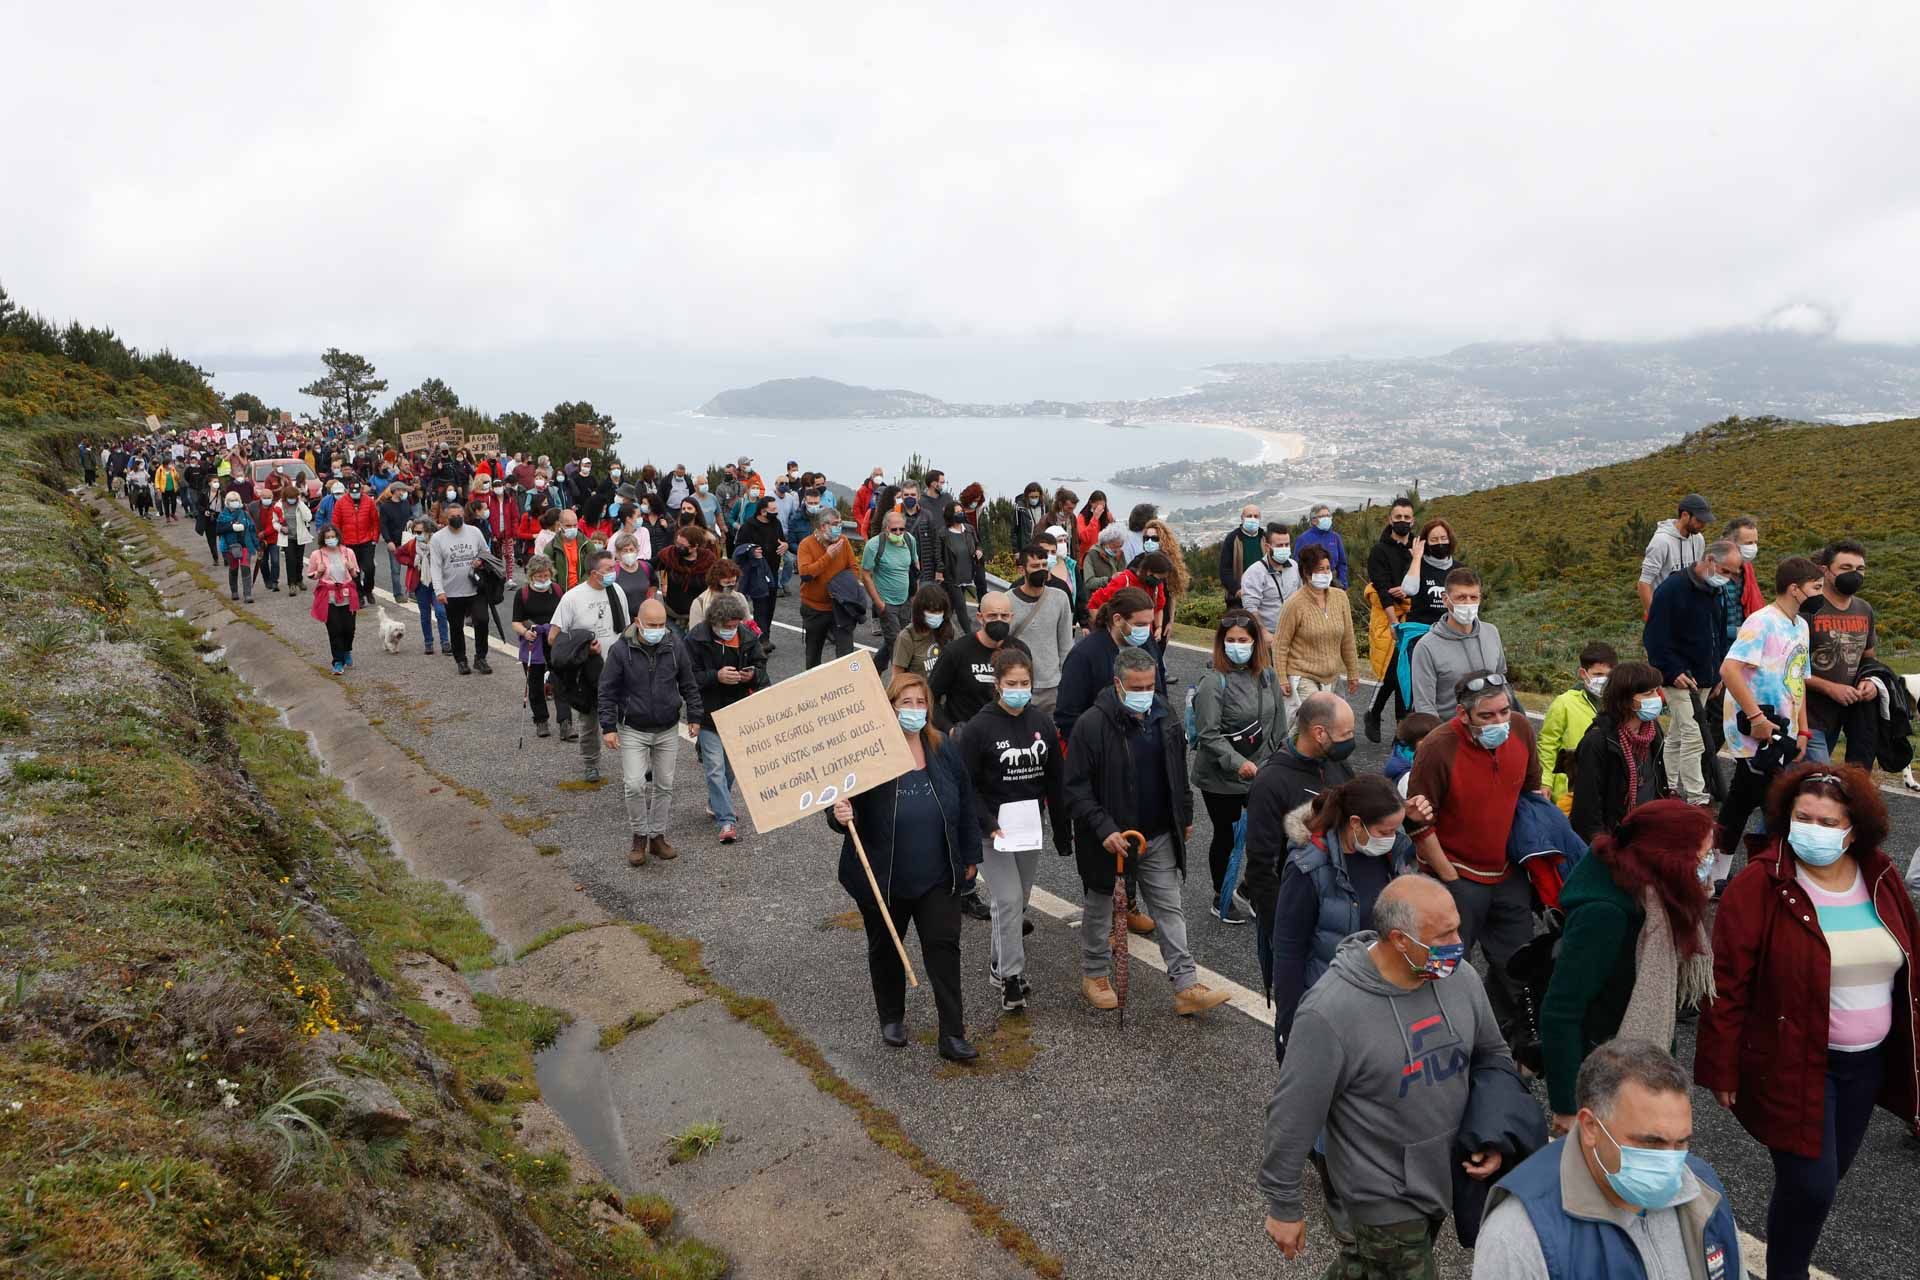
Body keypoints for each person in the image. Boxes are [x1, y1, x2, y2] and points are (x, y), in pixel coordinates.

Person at [1694, 764, 1920, 1280]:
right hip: (1794, 1062)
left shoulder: (1880, 879)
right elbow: (1726, 982)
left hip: (1866, 1067)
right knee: (1812, 1185)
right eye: (1803, 817)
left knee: (1819, 1184)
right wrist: (1721, 1066)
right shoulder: (1762, 884)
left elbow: (1909, 964)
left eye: (1827, 820)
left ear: (1854, 827)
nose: (1812, 830)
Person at [1260, 877, 1511, 1272]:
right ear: (1400, 940)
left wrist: (1494, 1132)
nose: (1457, 944)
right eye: (1443, 935)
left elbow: (1493, 1055)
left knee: (1365, 1268)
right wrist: (1284, 1204)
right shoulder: (1330, 1013)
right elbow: (1292, 1114)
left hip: (1442, 1176)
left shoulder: (1460, 979)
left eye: (1457, 927)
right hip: (1381, 1195)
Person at [1477, 1039, 1743, 1280]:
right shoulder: (1519, 1236)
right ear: (1591, 1127)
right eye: (1651, 1143)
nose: (1672, 1163)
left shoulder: (1704, 1192)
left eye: (1682, 1142)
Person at [1064, 646, 1231, 1016]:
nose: (1144, 693)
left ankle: (1186, 985)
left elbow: (1177, 773)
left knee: (1170, 908)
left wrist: (1183, 815)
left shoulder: (1165, 714)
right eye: (1136, 686)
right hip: (1109, 841)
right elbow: (1075, 788)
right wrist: (1104, 828)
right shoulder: (1091, 725)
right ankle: (1095, 974)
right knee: (1100, 905)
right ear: (1118, 684)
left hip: (1157, 835)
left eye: (1149, 685)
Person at [827, 672, 979, 1063]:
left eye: (920, 702)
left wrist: (969, 856)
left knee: (944, 952)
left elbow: (964, 802)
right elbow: (840, 807)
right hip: (884, 876)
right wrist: (838, 811)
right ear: (888, 707)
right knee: (884, 949)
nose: (914, 710)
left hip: (937, 875)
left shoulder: (942, 747)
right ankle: (891, 1017)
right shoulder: (868, 752)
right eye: (905, 703)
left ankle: (953, 1033)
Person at [1540, 801, 1715, 1131]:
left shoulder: (1656, 898)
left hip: (1632, 1065)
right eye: (1701, 856)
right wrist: (1565, 1106)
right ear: (1667, 856)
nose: (1708, 865)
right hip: (1600, 1079)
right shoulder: (1605, 914)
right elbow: (1561, 1012)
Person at [1405, 672, 1541, 1046]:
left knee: (1518, 967)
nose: (1500, 723)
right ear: (1464, 715)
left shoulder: (1522, 731)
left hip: (1507, 873)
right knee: (1442, 967)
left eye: (1504, 712)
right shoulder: (1436, 747)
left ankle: (1509, 1049)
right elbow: (1415, 823)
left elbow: (1531, 793)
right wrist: (1449, 878)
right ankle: (1434, 1043)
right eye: (1487, 717)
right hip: (1456, 877)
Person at [951, 649, 1072, 1012]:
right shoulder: (979, 728)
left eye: (1025, 683)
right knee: (1006, 900)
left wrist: (1062, 830)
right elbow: (965, 784)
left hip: (1029, 827)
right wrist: (988, 823)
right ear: (997, 685)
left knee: (1018, 901)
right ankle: (1010, 977)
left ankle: (996, 961)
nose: (1019, 690)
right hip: (992, 830)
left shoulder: (1041, 722)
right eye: (1011, 684)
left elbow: (1055, 779)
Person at [1270, 774, 1420, 1060]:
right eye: (1385, 831)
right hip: (1329, 1006)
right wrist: (1289, 1024)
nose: (1392, 838)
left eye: (1396, 830)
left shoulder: (1391, 855)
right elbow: (1289, 951)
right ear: (1355, 824)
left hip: (1378, 1002)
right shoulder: (1309, 868)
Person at [1713, 556, 1823, 885]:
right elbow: (1729, 669)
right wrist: (1757, 718)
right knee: (1775, 805)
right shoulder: (1761, 622)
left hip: (1783, 729)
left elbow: (1798, 680)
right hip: (1756, 732)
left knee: (1741, 802)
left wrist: (1803, 728)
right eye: (1816, 588)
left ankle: (1716, 874)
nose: (1821, 594)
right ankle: (1772, 877)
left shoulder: (1801, 626)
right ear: (1794, 588)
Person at [1190, 610, 1287, 923]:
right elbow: (1208, 734)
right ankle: (1222, 893)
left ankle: (1254, 890)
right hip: (1221, 775)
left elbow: (1279, 726)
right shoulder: (1212, 682)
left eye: (1242, 640)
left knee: (1273, 834)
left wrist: (1274, 762)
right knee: (1227, 836)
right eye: (1230, 640)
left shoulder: (1268, 676)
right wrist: (1239, 763)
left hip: (1262, 770)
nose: (1236, 646)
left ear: (1255, 642)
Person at [599, 598, 704, 867]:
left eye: (661, 625)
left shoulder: (674, 645)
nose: (658, 629)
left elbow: (688, 683)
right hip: (633, 727)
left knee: (664, 785)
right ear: (638, 623)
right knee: (634, 784)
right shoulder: (621, 651)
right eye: (652, 625)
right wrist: (608, 727)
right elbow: (607, 690)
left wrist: (694, 716)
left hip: (667, 727)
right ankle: (639, 835)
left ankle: (657, 836)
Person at [1643, 540, 1743, 806]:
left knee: (1677, 733)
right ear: (1709, 560)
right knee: (1693, 734)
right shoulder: (1672, 589)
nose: (1730, 578)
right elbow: (1654, 636)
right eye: (1726, 570)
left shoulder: (1716, 591)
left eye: (1735, 573)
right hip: (1679, 678)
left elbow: (1720, 634)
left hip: (1705, 677)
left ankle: (1668, 786)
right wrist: (1672, 670)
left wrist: (1719, 673)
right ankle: (1697, 797)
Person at [686, 596, 765, 845]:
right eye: (728, 626)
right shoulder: (696, 639)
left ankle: (715, 802)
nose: (732, 630)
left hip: (738, 714)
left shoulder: (747, 637)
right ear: (715, 621)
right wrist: (715, 676)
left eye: (735, 625)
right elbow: (688, 677)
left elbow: (762, 668)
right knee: (715, 768)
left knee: (731, 769)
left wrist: (750, 675)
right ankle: (726, 821)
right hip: (709, 715)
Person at [1567, 661, 1671, 843]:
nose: (1657, 698)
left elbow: (1657, 780)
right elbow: (1587, 808)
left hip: (1645, 831)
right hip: (1614, 840)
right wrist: (1602, 846)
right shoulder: (1597, 742)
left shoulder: (1652, 730)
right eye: (1649, 693)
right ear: (1626, 699)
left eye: (1657, 690)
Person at [551, 549, 630, 779]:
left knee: (629, 716)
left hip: (618, 668)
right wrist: (584, 649)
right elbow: (554, 637)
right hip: (588, 671)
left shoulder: (617, 591)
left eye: (614, 568)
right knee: (589, 720)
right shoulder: (572, 598)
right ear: (594, 573)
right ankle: (590, 763)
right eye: (609, 569)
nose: (613, 572)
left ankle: (637, 763)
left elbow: (624, 628)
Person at [1800, 540, 1879, 767]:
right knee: (1819, 780)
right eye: (1846, 568)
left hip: (1843, 715)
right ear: (1825, 571)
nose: (1854, 574)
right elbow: (1787, 667)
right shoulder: (1806, 609)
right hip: (1807, 715)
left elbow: (1869, 658)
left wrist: (1869, 681)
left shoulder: (1864, 609)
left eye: (1860, 569)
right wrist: (1830, 688)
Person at [1053, 587, 1162, 747]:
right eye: (1139, 624)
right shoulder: (1084, 655)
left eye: (1148, 624)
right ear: (1117, 619)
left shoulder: (1147, 644)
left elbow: (1160, 694)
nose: (1145, 630)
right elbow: (1067, 715)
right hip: (1100, 750)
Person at [1272, 544, 1361, 717]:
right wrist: (1281, 678)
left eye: (1328, 569)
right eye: (1320, 569)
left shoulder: (1340, 598)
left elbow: (1348, 639)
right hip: (1303, 674)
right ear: (1306, 572)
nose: (1326, 573)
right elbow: (1280, 645)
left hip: (1333, 676)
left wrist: (1353, 671)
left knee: (1336, 723)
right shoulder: (1294, 604)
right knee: (1314, 722)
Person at [1410, 567, 1507, 718]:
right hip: (1451, 733)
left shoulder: (1492, 633)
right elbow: (1425, 706)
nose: (1468, 603)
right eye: (1461, 597)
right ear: (1445, 599)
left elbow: (1502, 681)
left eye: (1473, 597)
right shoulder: (1426, 647)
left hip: (1491, 729)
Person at [927, 592, 1032, 730]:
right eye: (992, 616)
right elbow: (930, 698)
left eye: (1004, 616)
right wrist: (950, 730)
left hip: (1008, 736)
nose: (999, 620)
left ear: (1011, 617)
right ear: (980, 617)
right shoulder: (956, 652)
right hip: (966, 738)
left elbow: (1027, 695)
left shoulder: (1020, 650)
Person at [1361, 498, 1418, 741]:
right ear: (1390, 520)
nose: (1403, 522)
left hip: (1413, 616)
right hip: (1388, 617)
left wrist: (1407, 592)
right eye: (1398, 517)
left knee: (1404, 675)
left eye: (1407, 518)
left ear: (1413, 520)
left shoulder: (1416, 550)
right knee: (1393, 672)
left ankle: (1392, 725)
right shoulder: (1379, 551)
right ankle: (1383, 719)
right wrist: (1394, 622)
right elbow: (1382, 588)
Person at [1538, 643, 1617, 814]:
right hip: (1568, 791)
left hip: (1605, 789)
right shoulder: (1564, 703)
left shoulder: (1618, 705)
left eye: (1609, 676)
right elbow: (1547, 744)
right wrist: (1545, 782)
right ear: (1583, 673)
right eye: (1598, 674)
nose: (1603, 680)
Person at [1005, 544, 1074, 717]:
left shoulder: (1060, 598)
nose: (1041, 570)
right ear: (1022, 570)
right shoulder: (1007, 601)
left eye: (1044, 565)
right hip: (1019, 686)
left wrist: (1066, 680)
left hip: (1053, 686)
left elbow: (1066, 644)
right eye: (1035, 566)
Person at [796, 508, 870, 667]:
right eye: (835, 524)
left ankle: (846, 686)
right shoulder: (806, 545)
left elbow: (854, 568)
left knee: (846, 654)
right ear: (823, 526)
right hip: (815, 609)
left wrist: (843, 588)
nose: (839, 527)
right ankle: (814, 688)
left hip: (840, 607)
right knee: (813, 656)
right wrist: (828, 556)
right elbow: (806, 574)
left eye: (840, 523)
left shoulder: (843, 541)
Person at [430, 503, 493, 675]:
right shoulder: (437, 538)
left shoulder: (474, 532)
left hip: (475, 588)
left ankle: (481, 657)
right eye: (452, 516)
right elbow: (435, 567)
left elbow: (486, 552)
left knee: (482, 620)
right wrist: (439, 591)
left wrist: (480, 560)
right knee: (456, 627)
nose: (457, 519)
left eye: (459, 515)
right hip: (452, 591)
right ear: (446, 518)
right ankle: (461, 659)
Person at [512, 554, 571, 738]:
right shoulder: (522, 594)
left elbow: (566, 615)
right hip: (534, 641)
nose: (543, 579)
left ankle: (565, 722)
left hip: (555, 639)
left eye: (546, 575)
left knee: (560, 681)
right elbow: (516, 621)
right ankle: (541, 720)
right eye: (539, 576)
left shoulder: (558, 590)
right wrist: (525, 632)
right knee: (535, 682)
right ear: (531, 576)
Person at [1636, 493, 1712, 618]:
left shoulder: (1698, 539)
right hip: (1665, 613)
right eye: (1699, 520)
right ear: (1685, 515)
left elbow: (1697, 574)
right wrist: (1656, 616)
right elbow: (1644, 583)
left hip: (1689, 613)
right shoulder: (1661, 541)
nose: (1703, 525)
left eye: (1705, 521)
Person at [860, 506, 917, 657]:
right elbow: (865, 575)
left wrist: (914, 597)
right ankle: (900, 678)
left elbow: (915, 568)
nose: (898, 533)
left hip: (905, 601)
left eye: (901, 529)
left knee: (902, 638)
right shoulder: (874, 545)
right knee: (898, 646)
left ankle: (877, 666)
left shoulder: (910, 540)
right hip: (886, 603)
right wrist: (879, 603)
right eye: (894, 530)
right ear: (886, 528)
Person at [306, 525, 362, 674]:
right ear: (323, 539)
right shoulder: (317, 554)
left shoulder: (348, 552)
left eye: (333, 536)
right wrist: (319, 571)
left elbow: (356, 574)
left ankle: (347, 650)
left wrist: (351, 569)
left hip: (347, 595)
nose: (331, 540)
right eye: (328, 537)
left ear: (338, 537)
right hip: (328, 596)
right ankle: (337, 661)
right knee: (335, 629)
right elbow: (311, 574)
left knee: (349, 628)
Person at [396, 514, 447, 654]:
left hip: (437, 584)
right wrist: (411, 563)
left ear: (429, 531)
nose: (417, 535)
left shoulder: (437, 544)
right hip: (420, 584)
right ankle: (428, 643)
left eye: (420, 532)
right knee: (425, 615)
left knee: (441, 612)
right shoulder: (412, 545)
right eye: (415, 532)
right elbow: (398, 553)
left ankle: (445, 642)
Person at [1237, 522, 1299, 638]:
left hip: (1294, 633)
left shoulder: (1294, 566)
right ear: (1267, 547)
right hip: (1270, 636)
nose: (1284, 549)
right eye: (1280, 546)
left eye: (1287, 545)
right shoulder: (1254, 573)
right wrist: (1263, 633)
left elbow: (1301, 595)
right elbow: (1250, 608)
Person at [657, 527, 717, 632]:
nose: (678, 547)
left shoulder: (708, 560)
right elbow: (648, 566)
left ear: (694, 547)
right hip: (673, 614)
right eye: (677, 543)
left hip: (699, 616)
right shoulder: (670, 555)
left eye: (682, 546)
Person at [892, 585, 953, 684]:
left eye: (940, 611)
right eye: (932, 611)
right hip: (920, 695)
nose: (936, 615)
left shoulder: (948, 628)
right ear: (920, 611)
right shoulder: (907, 637)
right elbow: (897, 677)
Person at [331, 478, 382, 597]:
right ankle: (358, 594)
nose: (355, 493)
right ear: (348, 490)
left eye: (357, 490)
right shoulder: (341, 503)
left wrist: (374, 539)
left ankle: (368, 590)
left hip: (366, 541)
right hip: (348, 542)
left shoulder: (369, 501)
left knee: (369, 568)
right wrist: (339, 542)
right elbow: (336, 523)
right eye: (353, 490)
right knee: (353, 571)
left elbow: (375, 522)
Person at [1719, 515, 1766, 643]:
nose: (1753, 548)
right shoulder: (1711, 574)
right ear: (1729, 542)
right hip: (1717, 649)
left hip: (1742, 647)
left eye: (1755, 542)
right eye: (1748, 543)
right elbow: (1703, 623)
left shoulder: (1747, 569)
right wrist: (1736, 632)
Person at [1078, 521, 1130, 619]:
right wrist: (1109, 580)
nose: (1118, 550)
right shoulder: (1091, 555)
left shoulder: (1120, 554)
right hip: (1098, 606)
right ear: (1105, 543)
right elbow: (1089, 582)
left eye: (1120, 546)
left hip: (1118, 604)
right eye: (1115, 547)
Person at [1218, 502, 1267, 606]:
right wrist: (1237, 590)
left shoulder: (1265, 538)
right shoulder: (1232, 539)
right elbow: (1225, 570)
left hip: (1264, 595)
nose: (1253, 519)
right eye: (1249, 516)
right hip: (1239, 598)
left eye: (1256, 516)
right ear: (1242, 518)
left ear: (1260, 518)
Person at [215, 491, 259, 604]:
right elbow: (218, 530)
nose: (234, 503)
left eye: (236, 500)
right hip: (230, 546)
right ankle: (234, 591)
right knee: (233, 568)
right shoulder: (222, 515)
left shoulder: (244, 514)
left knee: (245, 567)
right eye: (231, 501)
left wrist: (257, 546)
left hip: (245, 545)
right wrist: (231, 527)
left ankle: (247, 594)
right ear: (227, 502)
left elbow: (252, 529)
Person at [1293, 501, 1349, 586]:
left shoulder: (1335, 537)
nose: (1326, 518)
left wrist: (1343, 583)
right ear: (1313, 520)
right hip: (1312, 580)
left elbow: (1342, 563)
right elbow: (1297, 563)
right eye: (1323, 516)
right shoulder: (1303, 539)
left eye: (1328, 515)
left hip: (1332, 580)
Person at [686, 559, 747, 634]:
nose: (731, 585)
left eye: (734, 582)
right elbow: (694, 633)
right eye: (727, 582)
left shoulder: (740, 598)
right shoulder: (699, 602)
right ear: (716, 580)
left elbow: (748, 624)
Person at [609, 531, 654, 617]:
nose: (629, 553)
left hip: (644, 617)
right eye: (625, 551)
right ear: (618, 553)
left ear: (637, 550)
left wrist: (649, 601)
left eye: (631, 550)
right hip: (623, 619)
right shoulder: (614, 571)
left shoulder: (646, 567)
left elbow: (654, 584)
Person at [1075, 490, 1112, 556]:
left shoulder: (1107, 516)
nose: (1099, 509)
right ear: (1090, 503)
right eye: (1097, 506)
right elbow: (1084, 538)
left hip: (1101, 554)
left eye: (1102, 506)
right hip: (1086, 555)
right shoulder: (1082, 517)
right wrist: (1095, 518)